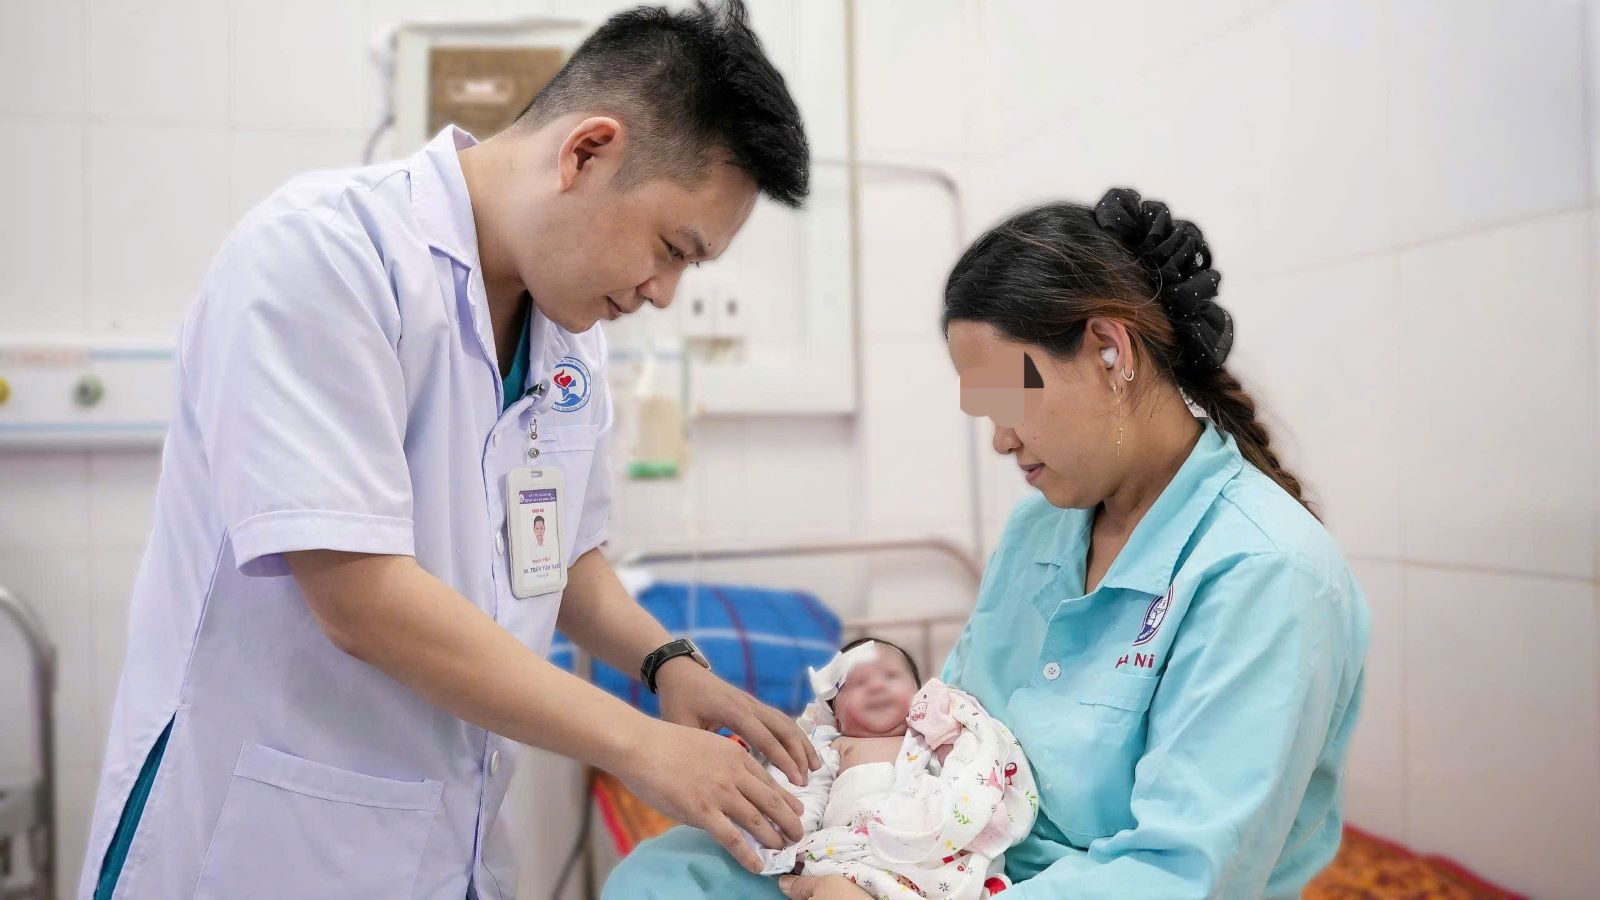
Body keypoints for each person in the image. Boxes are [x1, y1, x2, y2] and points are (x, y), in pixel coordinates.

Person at [79, 3, 820, 898]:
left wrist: (668, 663)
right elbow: (361, 596)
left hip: (442, 842)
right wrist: (643, 747)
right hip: (263, 836)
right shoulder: (324, 253)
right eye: (671, 249)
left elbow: (559, 556)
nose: (663, 293)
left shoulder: (567, 331)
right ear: (587, 152)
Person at [604, 189, 1370, 900]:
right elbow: (951, 725)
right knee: (673, 873)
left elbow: (1174, 875)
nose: (1001, 439)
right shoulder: (1044, 526)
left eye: (1009, 398)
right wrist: (845, 839)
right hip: (953, 860)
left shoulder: (1266, 574)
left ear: (1109, 349)